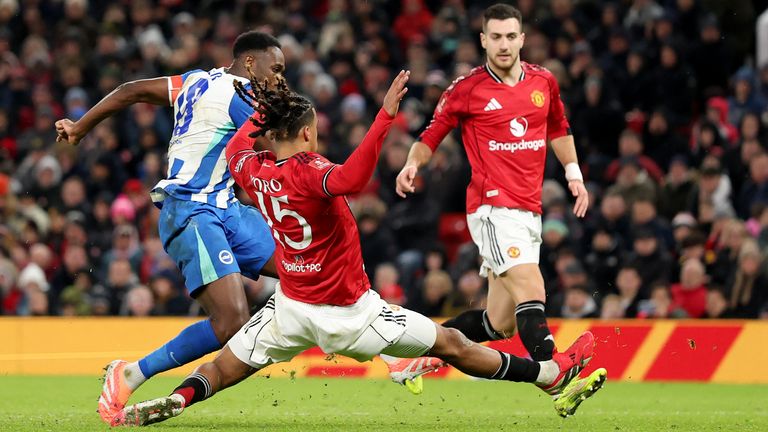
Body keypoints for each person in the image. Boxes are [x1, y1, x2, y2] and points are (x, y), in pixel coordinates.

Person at [109, 71, 605, 427]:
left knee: (222, 368)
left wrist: (259, 112)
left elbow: (240, 143)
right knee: (450, 344)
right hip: (351, 313)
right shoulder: (311, 174)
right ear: (307, 132)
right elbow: (355, 176)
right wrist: (384, 117)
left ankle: (177, 399)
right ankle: (544, 375)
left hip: (290, 310)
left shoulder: (250, 169)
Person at [55, 31, 284, 423]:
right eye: (276, 68)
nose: (280, 77)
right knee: (232, 322)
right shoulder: (240, 95)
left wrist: (80, 127)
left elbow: (130, 90)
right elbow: (282, 149)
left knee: (305, 266)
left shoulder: (195, 80)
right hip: (192, 209)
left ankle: (388, 352)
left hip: (226, 206)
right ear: (251, 63)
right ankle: (131, 373)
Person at [395, 3, 592, 390]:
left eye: (510, 36)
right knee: (532, 289)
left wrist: (574, 174)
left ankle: (415, 360)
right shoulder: (466, 89)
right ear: (484, 40)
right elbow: (432, 133)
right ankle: (553, 377)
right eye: (496, 37)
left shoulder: (543, 82)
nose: (504, 45)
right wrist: (411, 164)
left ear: (522, 39)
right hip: (492, 209)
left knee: (498, 324)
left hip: (529, 212)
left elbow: (559, 127)